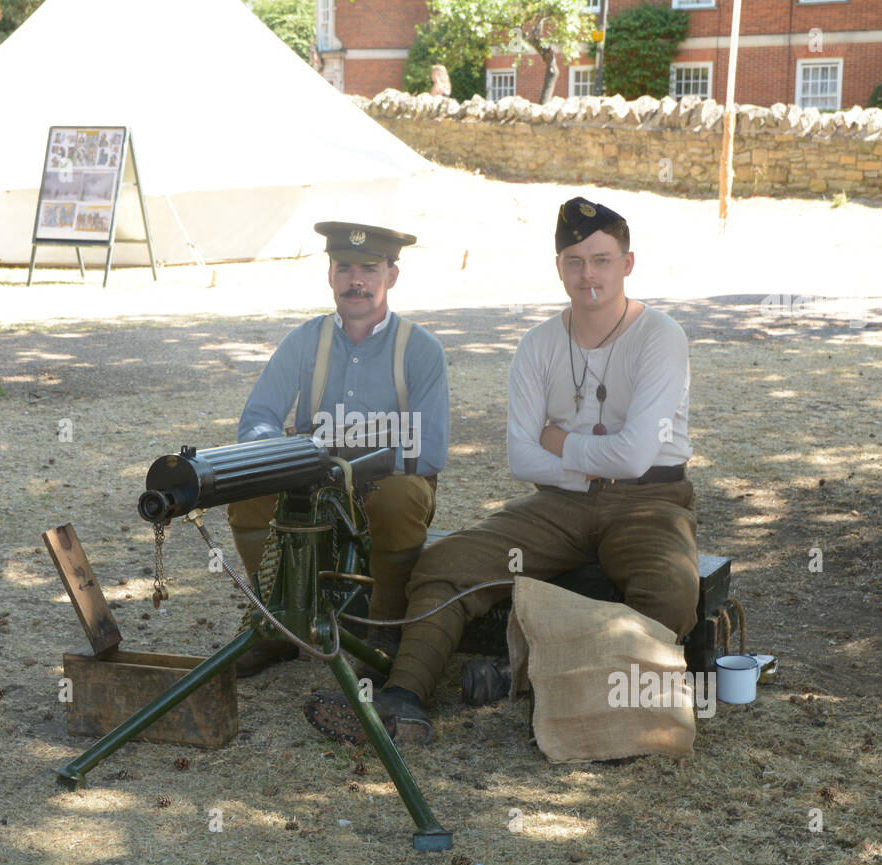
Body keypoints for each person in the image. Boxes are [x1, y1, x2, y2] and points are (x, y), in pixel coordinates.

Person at [305, 198, 698, 745]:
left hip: (650, 501)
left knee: (671, 591)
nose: (589, 275)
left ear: (627, 264)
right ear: (559, 266)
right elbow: (522, 458)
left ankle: (520, 677)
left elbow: (635, 458)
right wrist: (584, 463)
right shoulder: (537, 345)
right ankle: (403, 699)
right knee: (445, 564)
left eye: (602, 260)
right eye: (576, 261)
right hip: (559, 503)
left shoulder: (661, 335)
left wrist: (560, 440)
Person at [227, 221, 450, 677]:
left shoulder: (421, 348)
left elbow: (430, 452)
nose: (357, 281)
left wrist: (339, 454)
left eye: (370, 268)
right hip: (308, 482)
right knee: (244, 488)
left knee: (399, 497)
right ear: (330, 274)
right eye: (344, 267)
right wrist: (278, 455)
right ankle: (275, 620)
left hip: (385, 485)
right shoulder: (304, 340)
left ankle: (385, 626)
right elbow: (257, 421)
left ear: (392, 275)